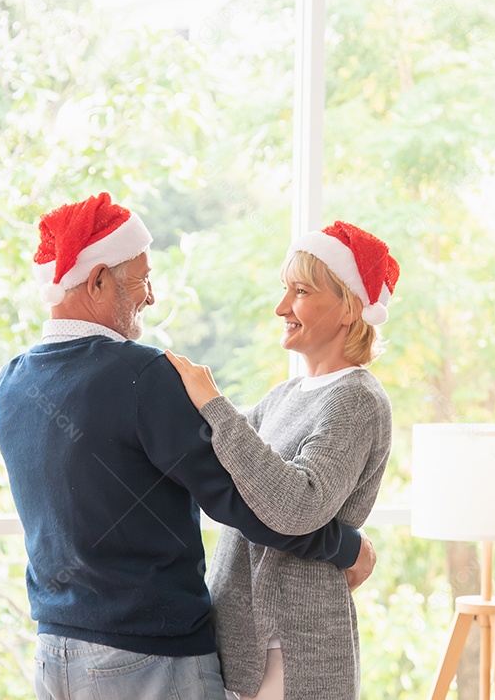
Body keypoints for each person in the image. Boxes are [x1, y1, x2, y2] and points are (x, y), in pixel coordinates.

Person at [0, 193, 376, 700]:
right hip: (148, 662)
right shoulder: (143, 375)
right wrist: (346, 547)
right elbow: (247, 502)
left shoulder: (13, 381)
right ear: (99, 280)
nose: (150, 297)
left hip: (55, 656)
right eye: (143, 278)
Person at [165, 220, 400, 700]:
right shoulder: (285, 395)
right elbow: (223, 458)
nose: (281, 308)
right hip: (247, 646)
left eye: (300, 291)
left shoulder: (356, 399)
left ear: (349, 308)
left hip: (293, 650)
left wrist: (214, 402)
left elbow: (297, 506)